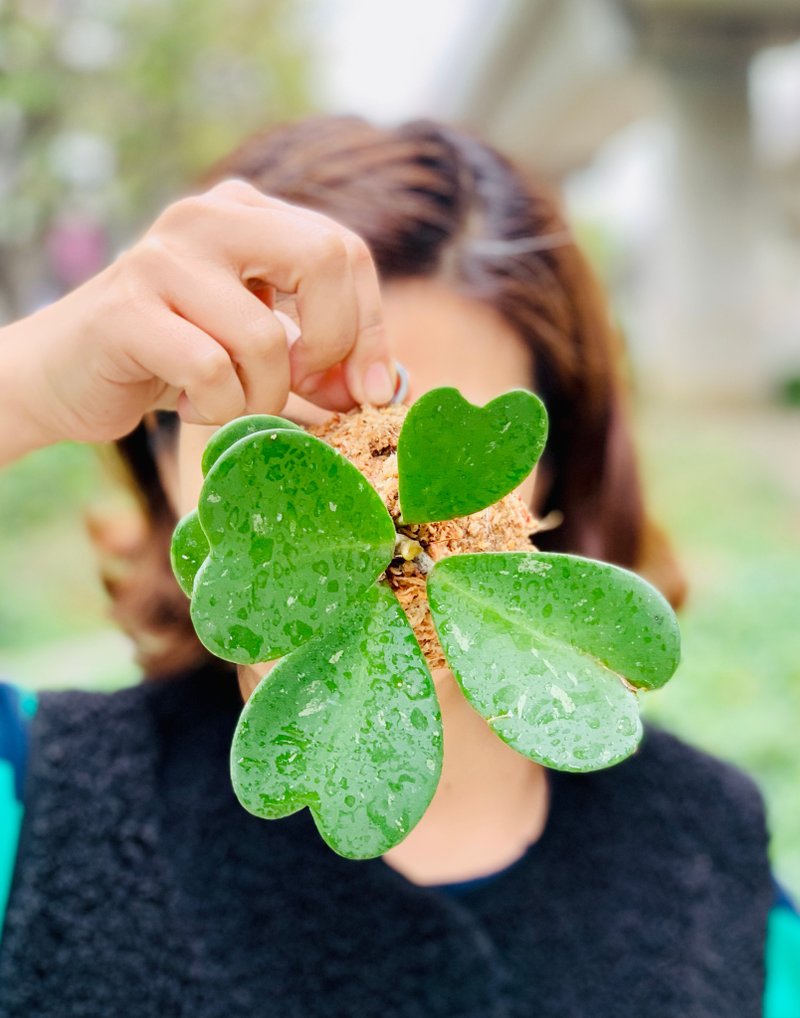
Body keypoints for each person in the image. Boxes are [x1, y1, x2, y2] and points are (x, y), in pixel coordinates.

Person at [0, 116, 797, 1018]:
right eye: (293, 449)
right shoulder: (35, 798)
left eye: (425, 450)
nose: (371, 507)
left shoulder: (713, 851)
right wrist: (25, 384)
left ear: (550, 477)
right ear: (171, 467)